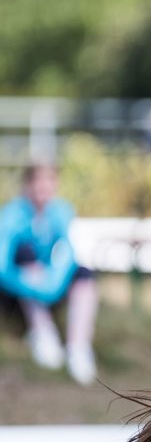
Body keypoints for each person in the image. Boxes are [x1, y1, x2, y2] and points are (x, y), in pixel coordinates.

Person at [0, 163, 99, 385]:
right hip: (15, 292)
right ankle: (42, 332)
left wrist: (52, 283)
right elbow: (2, 266)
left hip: (50, 286)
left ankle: (78, 346)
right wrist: (32, 284)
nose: (43, 186)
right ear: (27, 184)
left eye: (49, 180)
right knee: (26, 258)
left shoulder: (62, 212)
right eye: (37, 180)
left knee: (84, 275)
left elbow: (68, 253)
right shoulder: (11, 215)